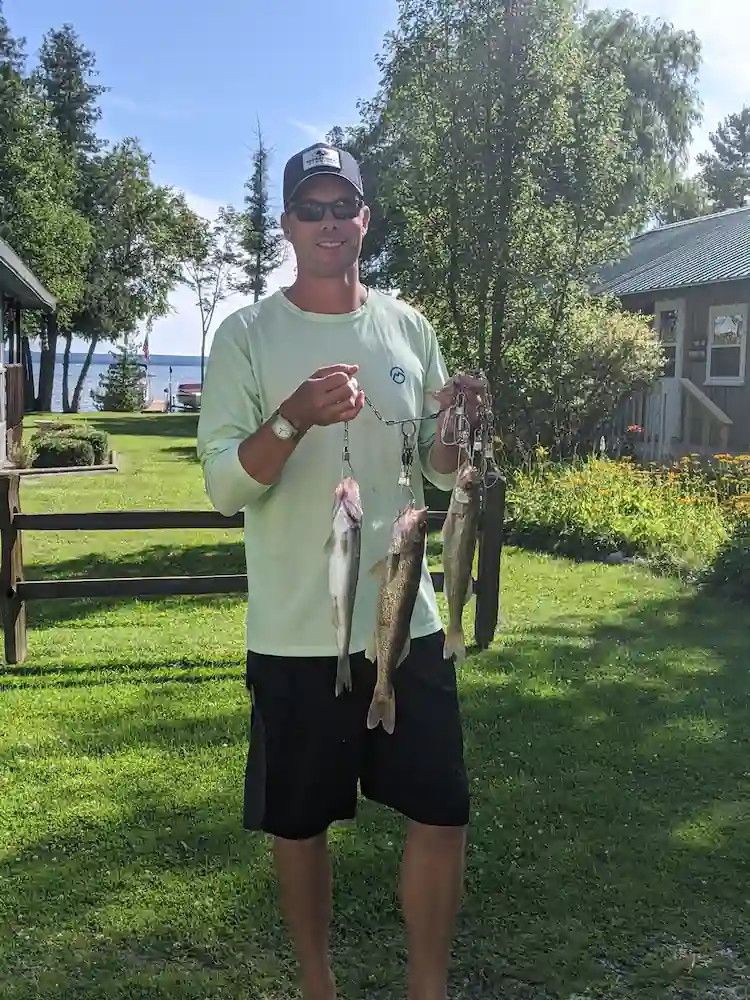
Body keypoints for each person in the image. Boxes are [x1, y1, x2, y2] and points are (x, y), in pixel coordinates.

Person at [196, 141, 486, 1000]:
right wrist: (290, 418)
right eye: (310, 209)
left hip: (409, 624)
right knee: (300, 824)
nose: (329, 224)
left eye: (343, 208)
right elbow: (223, 488)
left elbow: (434, 471)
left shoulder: (408, 327)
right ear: (288, 223)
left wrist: (459, 424)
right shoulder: (247, 335)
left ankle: (426, 988)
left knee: (444, 812)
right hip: (297, 633)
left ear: (365, 219)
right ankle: (318, 985)